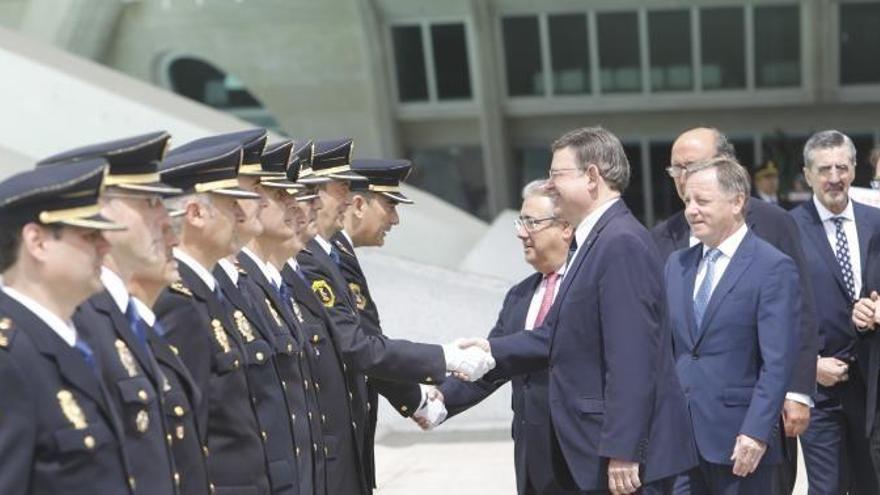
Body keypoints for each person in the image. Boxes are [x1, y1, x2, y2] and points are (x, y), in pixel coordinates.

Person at [468, 126, 697, 494]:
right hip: (596, 450)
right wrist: (488, 349)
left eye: (556, 174)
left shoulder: (620, 242)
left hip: (624, 460)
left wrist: (625, 449)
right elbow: (557, 335)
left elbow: (632, 355)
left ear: (592, 177)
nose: (548, 186)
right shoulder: (595, 240)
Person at [295, 139, 494, 490]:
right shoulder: (314, 259)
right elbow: (359, 347)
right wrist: (444, 360)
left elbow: (367, 345)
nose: (396, 219)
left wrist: (416, 397)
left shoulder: (335, 256)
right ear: (358, 203)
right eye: (390, 205)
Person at [650, 127, 817, 492]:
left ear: (737, 201)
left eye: (703, 202)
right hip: (681, 442)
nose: (691, 210)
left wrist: (757, 431)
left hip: (741, 442)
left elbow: (777, 360)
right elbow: (668, 349)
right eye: (688, 201)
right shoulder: (677, 265)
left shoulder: (771, 266)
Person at [36, 131, 184, 495]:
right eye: (150, 202)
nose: (165, 220)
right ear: (100, 208)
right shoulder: (81, 320)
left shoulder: (125, 315)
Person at [434, 179, 578, 494]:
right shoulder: (519, 295)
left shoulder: (589, 285)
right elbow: (492, 365)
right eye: (520, 221)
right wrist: (440, 399)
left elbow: (555, 340)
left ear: (566, 227)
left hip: (580, 458)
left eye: (532, 222)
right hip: (531, 459)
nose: (521, 232)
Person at [0, 159, 134, 493]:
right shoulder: (10, 359)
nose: (105, 246)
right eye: (89, 235)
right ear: (38, 242)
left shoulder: (75, 339)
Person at [154, 140, 274, 494]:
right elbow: (187, 436)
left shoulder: (211, 292)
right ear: (195, 213)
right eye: (230, 203)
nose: (241, 213)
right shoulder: (177, 303)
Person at [273, 143, 370, 494]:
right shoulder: (300, 266)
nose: (309, 205)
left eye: (315, 194)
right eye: (302, 194)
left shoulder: (306, 263)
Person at [791, 130, 880, 494]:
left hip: (872, 384)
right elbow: (776, 311)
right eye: (823, 168)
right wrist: (808, 365)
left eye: (841, 167)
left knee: (871, 481)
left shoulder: (876, 222)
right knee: (826, 487)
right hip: (821, 383)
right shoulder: (787, 229)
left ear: (855, 170)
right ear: (807, 174)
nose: (834, 177)